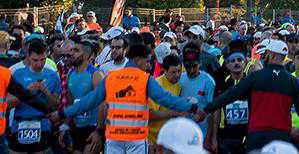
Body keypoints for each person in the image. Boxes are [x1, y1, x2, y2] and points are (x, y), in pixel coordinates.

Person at [58, 43, 199, 154]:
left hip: (114, 139)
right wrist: (191, 107)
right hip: (136, 140)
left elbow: (88, 102)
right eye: (147, 61)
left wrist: (62, 113)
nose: (149, 66)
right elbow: (166, 99)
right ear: (138, 60)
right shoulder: (145, 79)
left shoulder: (111, 77)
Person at [200, 39, 299, 151]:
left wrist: (206, 109)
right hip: (281, 137)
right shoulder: (294, 82)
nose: (265, 56)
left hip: (257, 137)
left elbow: (230, 95)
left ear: (272, 55)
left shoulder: (256, 77)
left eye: (267, 53)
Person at [10, 39, 60, 154]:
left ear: (47, 55)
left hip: (42, 125)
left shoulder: (52, 75)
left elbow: (56, 105)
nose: (39, 64)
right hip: (19, 124)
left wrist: (45, 91)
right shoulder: (17, 74)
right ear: (28, 56)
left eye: (43, 60)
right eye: (35, 60)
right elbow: (8, 104)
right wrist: (26, 92)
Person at [64, 39, 103, 154]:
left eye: (76, 51)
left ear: (86, 56)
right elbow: (70, 104)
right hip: (76, 127)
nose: (72, 53)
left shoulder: (96, 75)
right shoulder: (70, 75)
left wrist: (99, 132)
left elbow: (103, 105)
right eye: (72, 50)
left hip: (92, 128)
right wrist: (65, 126)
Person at [179, 45, 216, 145]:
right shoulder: (179, 79)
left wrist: (210, 137)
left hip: (201, 136)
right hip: (182, 136)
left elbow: (212, 112)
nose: (191, 70)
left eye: (194, 66)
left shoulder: (208, 81)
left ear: (200, 63)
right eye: (187, 66)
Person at [214, 51, 249, 154]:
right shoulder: (221, 84)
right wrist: (214, 137)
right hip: (225, 137)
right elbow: (216, 111)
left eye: (239, 60)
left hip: (246, 137)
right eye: (232, 61)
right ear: (227, 64)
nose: (236, 63)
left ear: (245, 62)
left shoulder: (252, 83)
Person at [149, 54, 184, 146]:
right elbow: (150, 114)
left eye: (179, 71)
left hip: (170, 140)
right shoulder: (156, 86)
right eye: (173, 72)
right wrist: (174, 113)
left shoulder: (180, 84)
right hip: (154, 140)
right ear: (164, 71)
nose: (177, 75)